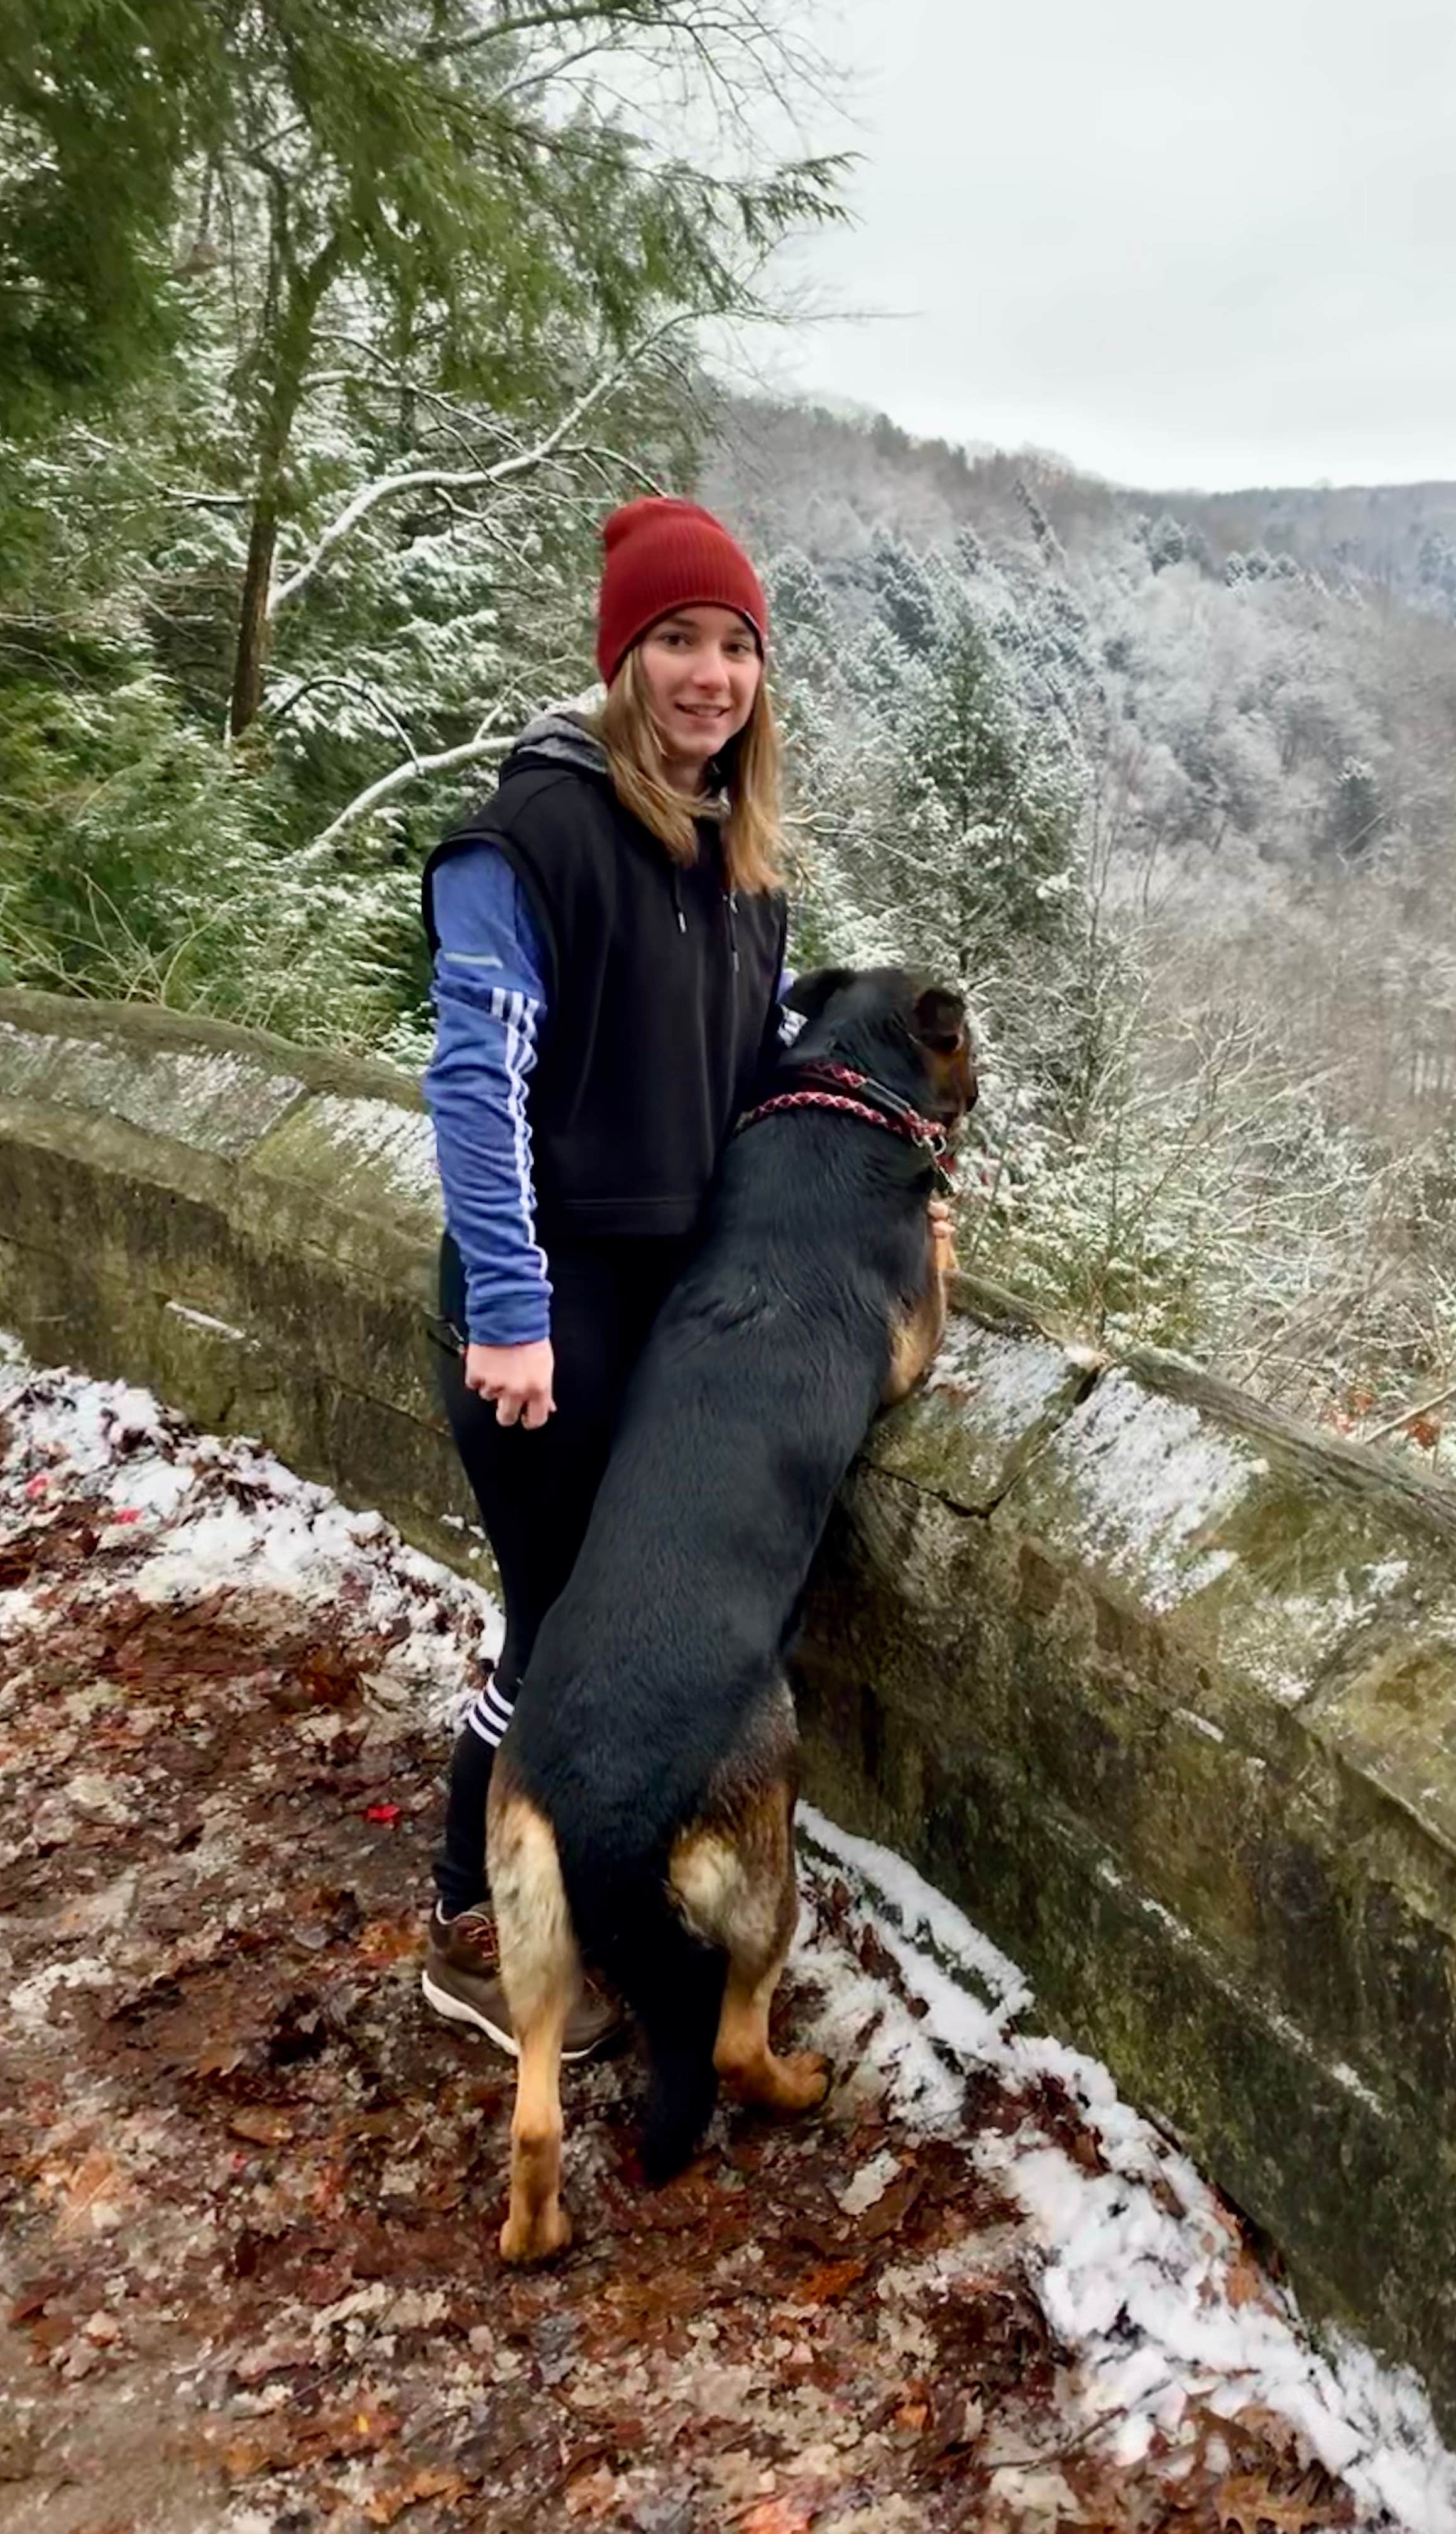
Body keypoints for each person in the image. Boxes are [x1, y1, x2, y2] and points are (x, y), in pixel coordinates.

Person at [417, 496, 794, 2058]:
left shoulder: (744, 858)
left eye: (735, 647)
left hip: (674, 1306)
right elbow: (472, 1081)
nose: (711, 677)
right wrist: (508, 1310)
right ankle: (466, 1914)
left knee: (625, 1626)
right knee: (557, 1627)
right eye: (677, 644)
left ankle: (594, 1896)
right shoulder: (537, 835)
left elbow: (749, 1076)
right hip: (549, 1304)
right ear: (622, 659)